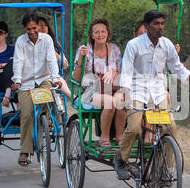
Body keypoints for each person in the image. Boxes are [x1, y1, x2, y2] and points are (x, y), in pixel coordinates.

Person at [114, 10, 190, 180]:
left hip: (157, 92)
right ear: (147, 26)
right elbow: (126, 73)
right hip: (137, 91)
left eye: (162, 24)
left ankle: (163, 167)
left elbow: (178, 68)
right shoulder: (134, 45)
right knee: (134, 128)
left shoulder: (167, 45)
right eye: (156, 24)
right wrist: (126, 96)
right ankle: (121, 159)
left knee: (170, 127)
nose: (160, 27)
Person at [11, 13, 61, 167]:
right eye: (28, 29)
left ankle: (46, 122)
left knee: (48, 98)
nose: (32, 32)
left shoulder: (46, 39)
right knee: (26, 114)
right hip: (25, 83)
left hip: (43, 79)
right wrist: (17, 80)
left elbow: (52, 60)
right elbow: (18, 62)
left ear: (38, 26)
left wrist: (56, 78)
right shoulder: (21, 41)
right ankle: (25, 150)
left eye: (34, 28)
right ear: (24, 29)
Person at [73, 18, 126, 147]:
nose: (100, 35)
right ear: (92, 35)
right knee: (110, 101)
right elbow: (76, 78)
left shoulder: (114, 49)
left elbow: (121, 74)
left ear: (108, 33)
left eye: (103, 31)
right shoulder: (85, 50)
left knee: (122, 100)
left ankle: (120, 137)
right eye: (97, 32)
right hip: (91, 92)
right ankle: (104, 137)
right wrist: (81, 58)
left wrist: (114, 73)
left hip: (111, 88)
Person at [38, 16, 71, 99]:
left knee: (58, 79)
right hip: (39, 76)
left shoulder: (55, 44)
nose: (43, 28)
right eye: (40, 26)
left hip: (54, 75)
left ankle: (74, 99)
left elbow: (65, 65)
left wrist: (54, 52)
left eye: (45, 25)